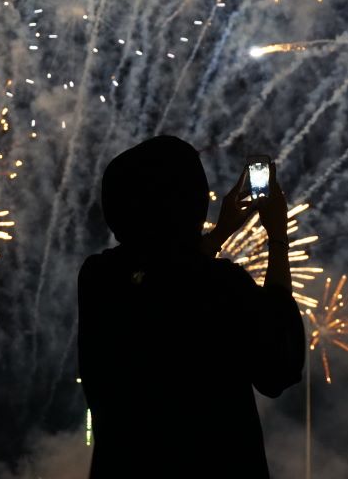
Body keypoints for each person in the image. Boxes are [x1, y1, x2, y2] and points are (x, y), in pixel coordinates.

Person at [78, 136, 304, 477]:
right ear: (192, 203)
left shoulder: (98, 279)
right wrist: (278, 238)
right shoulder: (224, 287)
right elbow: (279, 367)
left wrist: (219, 235)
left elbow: (168, 279)